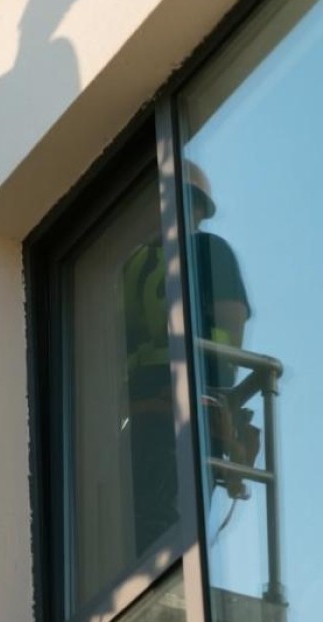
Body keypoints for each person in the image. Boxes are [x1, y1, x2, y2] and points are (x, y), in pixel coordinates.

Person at [121, 161, 253, 552]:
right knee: (144, 519)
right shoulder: (132, 264)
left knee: (161, 518)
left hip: (190, 406)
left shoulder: (208, 252)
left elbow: (229, 338)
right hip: (148, 409)